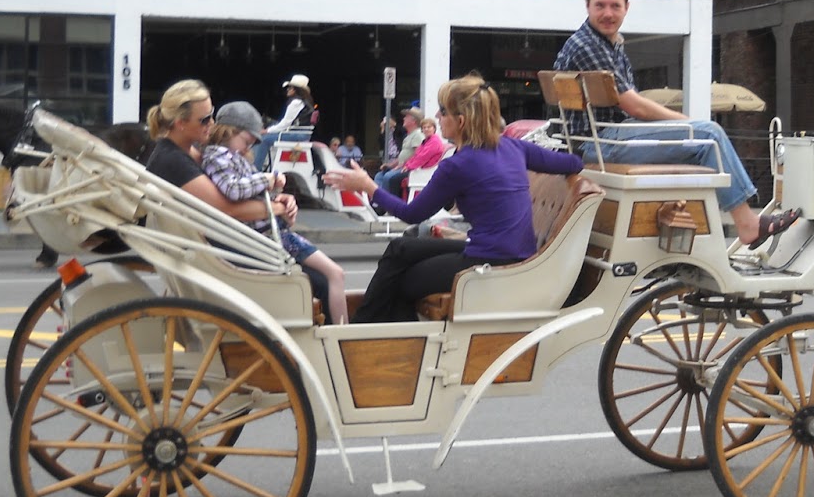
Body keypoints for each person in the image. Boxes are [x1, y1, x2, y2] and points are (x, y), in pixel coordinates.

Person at [553, 0, 798, 248]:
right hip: (602, 143)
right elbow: (634, 106)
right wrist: (685, 122)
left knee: (702, 140)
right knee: (709, 135)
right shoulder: (588, 46)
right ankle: (747, 224)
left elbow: (631, 105)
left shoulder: (606, 43)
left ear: (626, 8)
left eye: (615, 6)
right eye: (600, 5)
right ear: (587, 6)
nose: (608, 13)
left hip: (602, 139)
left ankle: (700, 228)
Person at [323, 74, 582, 323]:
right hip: (505, 252)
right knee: (400, 249)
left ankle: (374, 337)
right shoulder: (513, 147)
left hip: (489, 258)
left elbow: (412, 214)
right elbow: (572, 162)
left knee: (400, 279)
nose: (436, 117)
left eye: (443, 111)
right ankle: (367, 327)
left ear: (461, 121)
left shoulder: (458, 165)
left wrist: (368, 186)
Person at [144, 78, 329, 312]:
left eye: (211, 115)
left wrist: (275, 201)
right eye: (204, 119)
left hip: (217, 243)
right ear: (180, 123)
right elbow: (226, 207)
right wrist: (278, 208)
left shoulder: (187, 152)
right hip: (217, 249)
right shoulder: (172, 160)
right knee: (318, 281)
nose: (212, 123)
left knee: (318, 277)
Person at [203, 102, 348, 323]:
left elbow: (246, 192)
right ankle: (341, 334)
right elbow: (234, 189)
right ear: (228, 132)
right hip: (269, 237)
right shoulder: (219, 156)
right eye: (246, 141)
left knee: (328, 278)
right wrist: (271, 179)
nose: (248, 148)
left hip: (268, 235)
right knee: (334, 274)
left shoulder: (230, 157)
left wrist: (278, 200)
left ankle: (336, 331)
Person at [256, 73, 316, 170]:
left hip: (298, 134)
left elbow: (285, 124)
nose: (288, 89)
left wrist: (267, 130)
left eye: (290, 87)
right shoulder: (304, 101)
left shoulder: (296, 103)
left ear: (296, 90)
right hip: (301, 133)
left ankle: (255, 169)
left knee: (263, 139)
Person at [376, 106, 425, 195]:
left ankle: (389, 204)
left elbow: (418, 155)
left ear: (413, 121)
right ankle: (378, 202)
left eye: (406, 116)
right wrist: (390, 165)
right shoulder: (409, 135)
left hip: (410, 169)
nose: (404, 118)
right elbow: (402, 157)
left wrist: (405, 165)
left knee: (388, 177)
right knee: (379, 176)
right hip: (402, 167)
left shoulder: (418, 134)